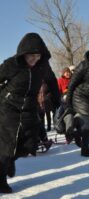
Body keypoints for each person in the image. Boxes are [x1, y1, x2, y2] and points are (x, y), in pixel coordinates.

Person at [0, 33, 60, 193]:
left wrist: (58, 102)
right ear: (23, 53)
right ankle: (1, 179)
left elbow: (53, 82)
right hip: (8, 108)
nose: (34, 60)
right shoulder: (11, 64)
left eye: (38, 56)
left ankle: (10, 160)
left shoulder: (43, 66)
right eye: (31, 56)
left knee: (28, 145)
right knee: (6, 147)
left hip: (29, 108)